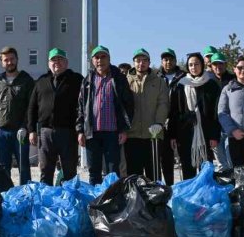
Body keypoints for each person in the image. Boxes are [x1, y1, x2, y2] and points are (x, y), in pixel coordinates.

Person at [77, 45, 134, 185]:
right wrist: (80, 130)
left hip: (113, 133)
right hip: (92, 133)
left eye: (103, 57)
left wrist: (124, 129)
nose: (100, 60)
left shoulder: (119, 78)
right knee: (94, 172)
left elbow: (128, 105)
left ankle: (112, 203)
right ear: (92, 61)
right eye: (97, 57)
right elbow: (80, 107)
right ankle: (95, 203)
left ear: (109, 59)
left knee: (113, 172)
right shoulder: (87, 80)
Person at [28, 48, 84, 185]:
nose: (57, 62)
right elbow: (32, 107)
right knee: (46, 170)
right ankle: (46, 200)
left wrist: (81, 130)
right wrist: (31, 130)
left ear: (66, 62)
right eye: (53, 60)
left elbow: (83, 107)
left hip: (68, 132)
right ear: (48, 63)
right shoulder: (41, 81)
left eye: (60, 59)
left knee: (69, 171)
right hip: (46, 132)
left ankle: (69, 201)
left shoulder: (76, 80)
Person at [168, 52, 221, 181]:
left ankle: (206, 197)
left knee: (207, 170)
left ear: (202, 65)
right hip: (185, 133)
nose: (193, 67)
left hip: (206, 133)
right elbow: (174, 112)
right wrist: (173, 135)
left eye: (196, 64)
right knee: (188, 169)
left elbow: (216, 112)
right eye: (190, 65)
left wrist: (214, 135)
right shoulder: (181, 85)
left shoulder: (211, 85)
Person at [0, 46, 35, 184]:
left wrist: (26, 126)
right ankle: (6, 196)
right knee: (3, 168)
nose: (9, 62)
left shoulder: (26, 80)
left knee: (24, 167)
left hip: (21, 132)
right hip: (2, 133)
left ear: (17, 59)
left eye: (12, 59)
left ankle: (26, 194)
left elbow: (31, 106)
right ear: (2, 62)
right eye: (6, 60)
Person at [125, 48, 169, 179]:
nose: (141, 63)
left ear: (149, 62)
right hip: (132, 134)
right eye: (138, 60)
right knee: (133, 173)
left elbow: (163, 103)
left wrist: (159, 123)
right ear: (133, 62)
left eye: (144, 60)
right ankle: (136, 198)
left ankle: (155, 198)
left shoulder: (159, 81)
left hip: (153, 134)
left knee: (153, 172)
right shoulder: (126, 81)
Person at [156, 48, 186, 185]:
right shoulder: (156, 77)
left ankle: (186, 188)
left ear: (175, 60)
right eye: (165, 59)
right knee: (165, 159)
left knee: (184, 159)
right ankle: (169, 187)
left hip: (180, 122)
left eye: (170, 59)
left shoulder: (184, 77)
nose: (168, 62)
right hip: (162, 122)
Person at [209, 52, 235, 169]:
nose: (218, 67)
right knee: (220, 160)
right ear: (211, 66)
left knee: (231, 156)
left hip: (230, 123)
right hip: (214, 124)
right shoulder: (208, 81)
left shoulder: (233, 80)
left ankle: (233, 181)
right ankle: (224, 181)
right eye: (215, 64)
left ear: (225, 65)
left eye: (221, 64)